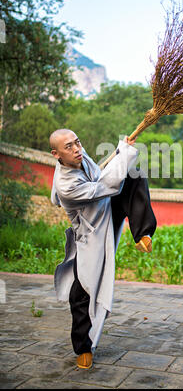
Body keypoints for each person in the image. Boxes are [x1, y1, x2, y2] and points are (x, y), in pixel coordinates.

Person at [49, 128, 157, 369]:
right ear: (56, 154)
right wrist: (123, 154)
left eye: (77, 142)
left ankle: (143, 233)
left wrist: (121, 150)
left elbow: (100, 173)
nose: (77, 149)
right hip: (91, 229)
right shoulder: (66, 186)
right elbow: (106, 187)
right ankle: (83, 347)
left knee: (134, 171)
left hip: (105, 207)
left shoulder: (78, 155)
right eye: (69, 147)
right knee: (82, 291)